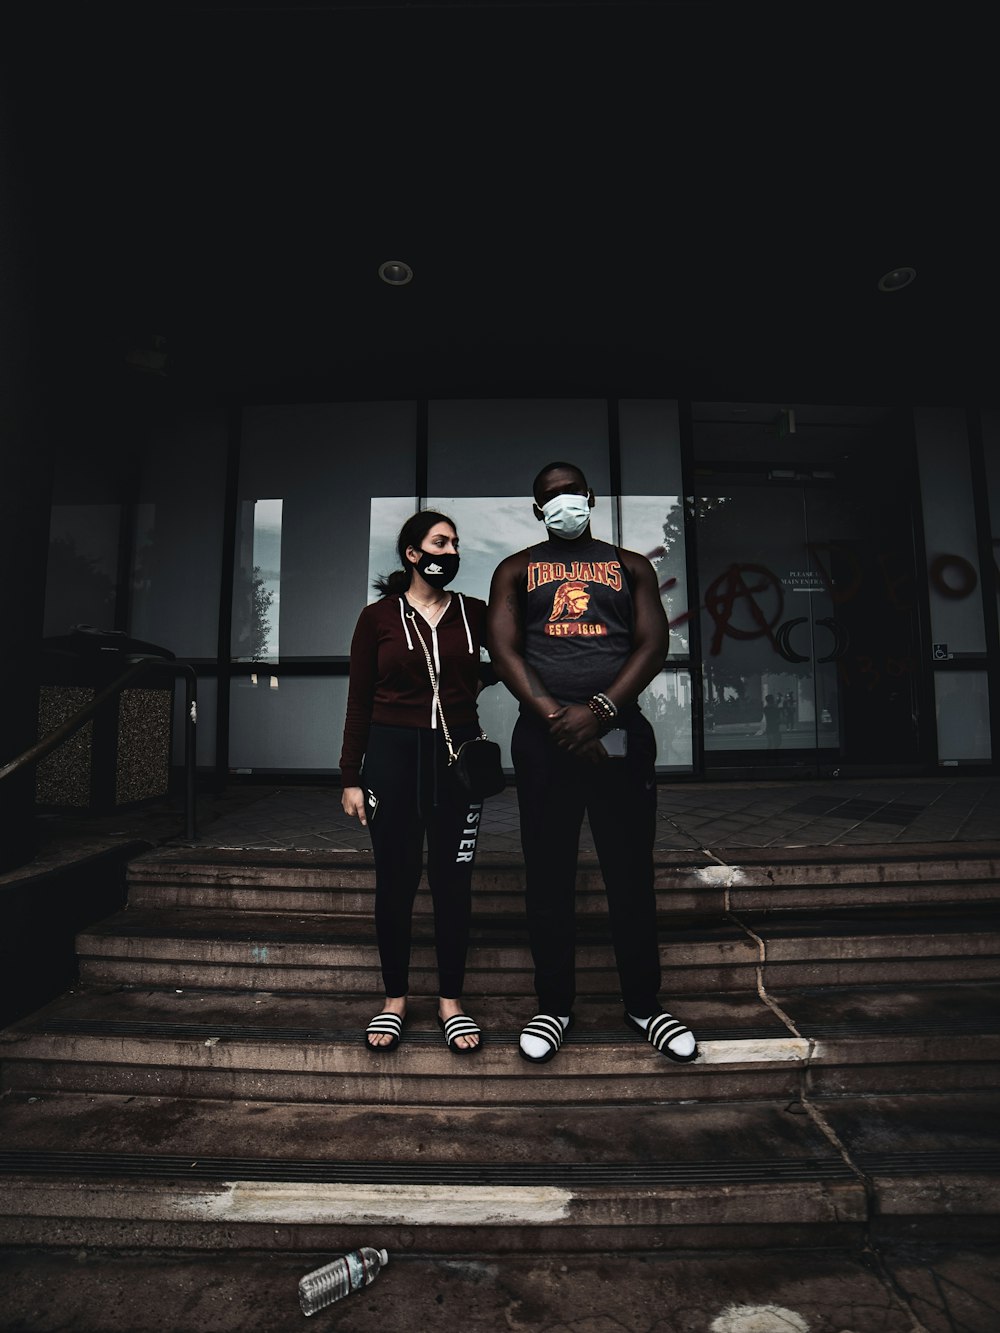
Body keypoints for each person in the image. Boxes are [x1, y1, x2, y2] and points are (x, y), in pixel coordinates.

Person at [487, 462, 697, 1065]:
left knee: (628, 871)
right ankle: (553, 1005)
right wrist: (559, 717)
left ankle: (644, 1004)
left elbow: (653, 643)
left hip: (620, 734)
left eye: (570, 492)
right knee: (547, 876)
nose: (562, 502)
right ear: (537, 510)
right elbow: (503, 650)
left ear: (590, 498)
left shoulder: (631, 566)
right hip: (544, 737)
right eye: (549, 496)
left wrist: (601, 711)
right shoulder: (516, 568)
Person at [341, 511, 491, 1055]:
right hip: (391, 760)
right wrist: (350, 776)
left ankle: (451, 1000)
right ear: (412, 553)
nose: (451, 551)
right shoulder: (376, 617)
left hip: (458, 759)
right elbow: (358, 700)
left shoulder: (475, 614)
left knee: (454, 883)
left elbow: (518, 659)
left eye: (455, 543)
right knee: (397, 881)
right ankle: (395, 998)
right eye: (440, 542)